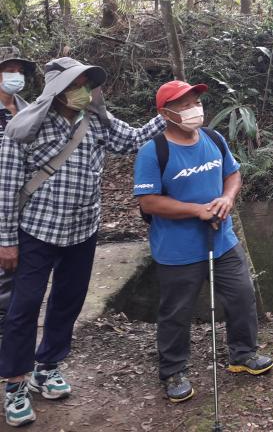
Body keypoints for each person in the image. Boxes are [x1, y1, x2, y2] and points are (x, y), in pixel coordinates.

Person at [0, 57, 167, 428]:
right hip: (36, 230)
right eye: (78, 83)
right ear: (58, 90)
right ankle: (14, 384)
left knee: (67, 302)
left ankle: (48, 367)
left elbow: (133, 139)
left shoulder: (96, 124)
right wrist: (6, 241)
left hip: (83, 231)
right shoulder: (24, 127)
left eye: (89, 83)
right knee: (24, 307)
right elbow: (7, 188)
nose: (85, 90)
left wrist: (169, 113)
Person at [133, 80, 273, 404]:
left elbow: (233, 174)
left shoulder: (213, 138)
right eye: (184, 104)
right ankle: (173, 371)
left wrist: (226, 198)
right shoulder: (154, 151)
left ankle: (243, 354)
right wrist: (197, 210)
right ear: (166, 113)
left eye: (195, 101)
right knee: (176, 311)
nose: (194, 108)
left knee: (241, 295)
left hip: (221, 239)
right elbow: (148, 202)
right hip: (177, 250)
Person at [0, 47, 36, 342]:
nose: (16, 76)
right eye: (9, 70)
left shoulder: (29, 112)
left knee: (15, 282)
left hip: (23, 207)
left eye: (20, 71)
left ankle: (11, 350)